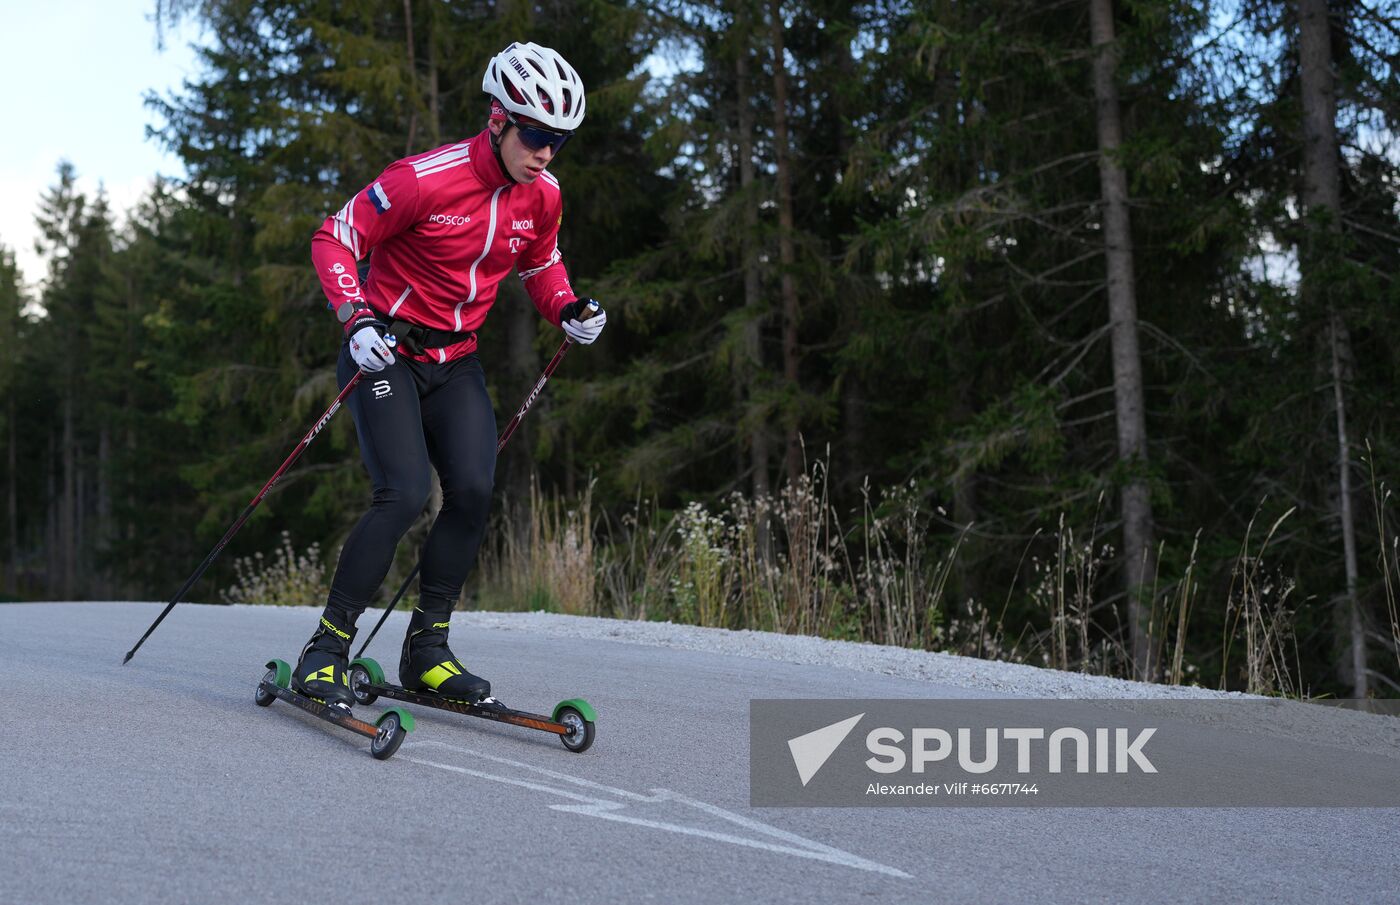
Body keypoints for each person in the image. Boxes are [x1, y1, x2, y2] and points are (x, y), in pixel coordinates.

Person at [292, 41, 607, 709]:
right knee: (403, 493)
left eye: (559, 140)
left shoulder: (542, 195)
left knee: (471, 490)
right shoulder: (422, 179)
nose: (546, 151)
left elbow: (540, 266)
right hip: (386, 351)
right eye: (537, 134)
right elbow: (334, 237)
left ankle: (427, 651)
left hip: (456, 359)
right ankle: (325, 649)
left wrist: (569, 309)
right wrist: (356, 318)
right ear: (498, 120)